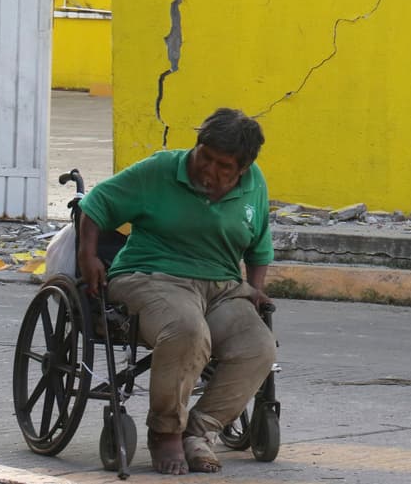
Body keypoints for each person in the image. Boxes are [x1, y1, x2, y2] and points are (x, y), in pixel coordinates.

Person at [77, 108, 275, 475]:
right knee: (187, 331)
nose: (209, 170)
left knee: (259, 347)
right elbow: (96, 204)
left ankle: (199, 431)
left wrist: (256, 289)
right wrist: (87, 255)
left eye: (223, 166)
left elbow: (259, 246)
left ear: (242, 169)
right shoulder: (160, 170)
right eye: (206, 156)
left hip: (221, 286)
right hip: (152, 276)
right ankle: (166, 432)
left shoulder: (255, 184)